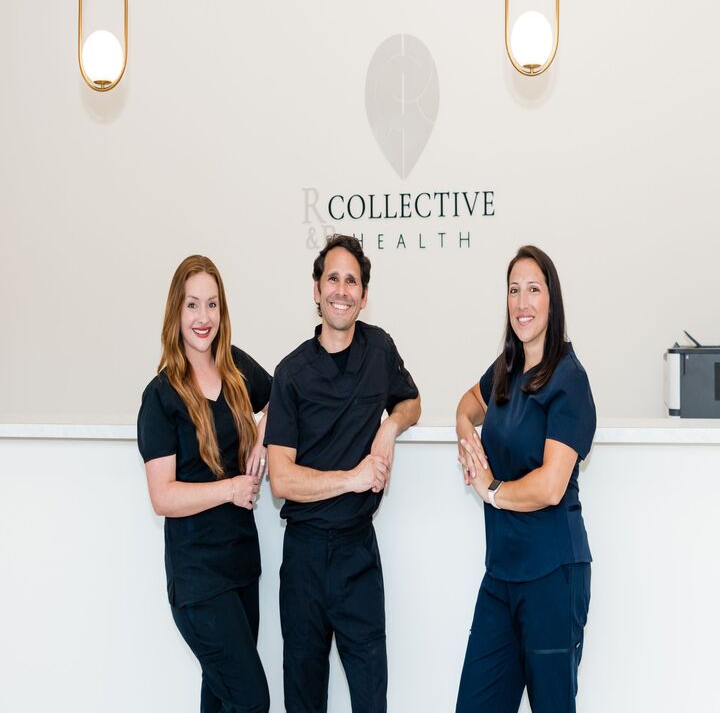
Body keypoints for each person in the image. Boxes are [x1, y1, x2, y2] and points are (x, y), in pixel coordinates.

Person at [264, 234, 421, 713]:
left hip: (358, 554)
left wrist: (390, 427)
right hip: (305, 559)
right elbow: (281, 480)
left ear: (364, 295)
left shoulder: (379, 349)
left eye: (352, 281)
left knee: (372, 700)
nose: (341, 290)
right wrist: (354, 477)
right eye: (332, 278)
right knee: (304, 701)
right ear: (316, 290)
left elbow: (412, 402)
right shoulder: (291, 373)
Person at [454, 245, 596, 713]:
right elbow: (467, 404)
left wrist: (491, 490)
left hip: (552, 577)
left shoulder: (569, 380)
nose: (522, 302)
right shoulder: (507, 368)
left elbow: (551, 486)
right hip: (501, 575)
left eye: (533, 289)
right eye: (514, 290)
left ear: (552, 300)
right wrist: (466, 436)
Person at [137, 255, 271, 713]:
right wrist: (231, 489)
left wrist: (263, 439)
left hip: (242, 566)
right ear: (176, 311)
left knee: (221, 697)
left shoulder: (235, 368)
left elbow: (283, 397)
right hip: (198, 581)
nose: (203, 317)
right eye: (192, 304)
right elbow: (163, 496)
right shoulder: (160, 397)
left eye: (212, 304)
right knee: (252, 700)